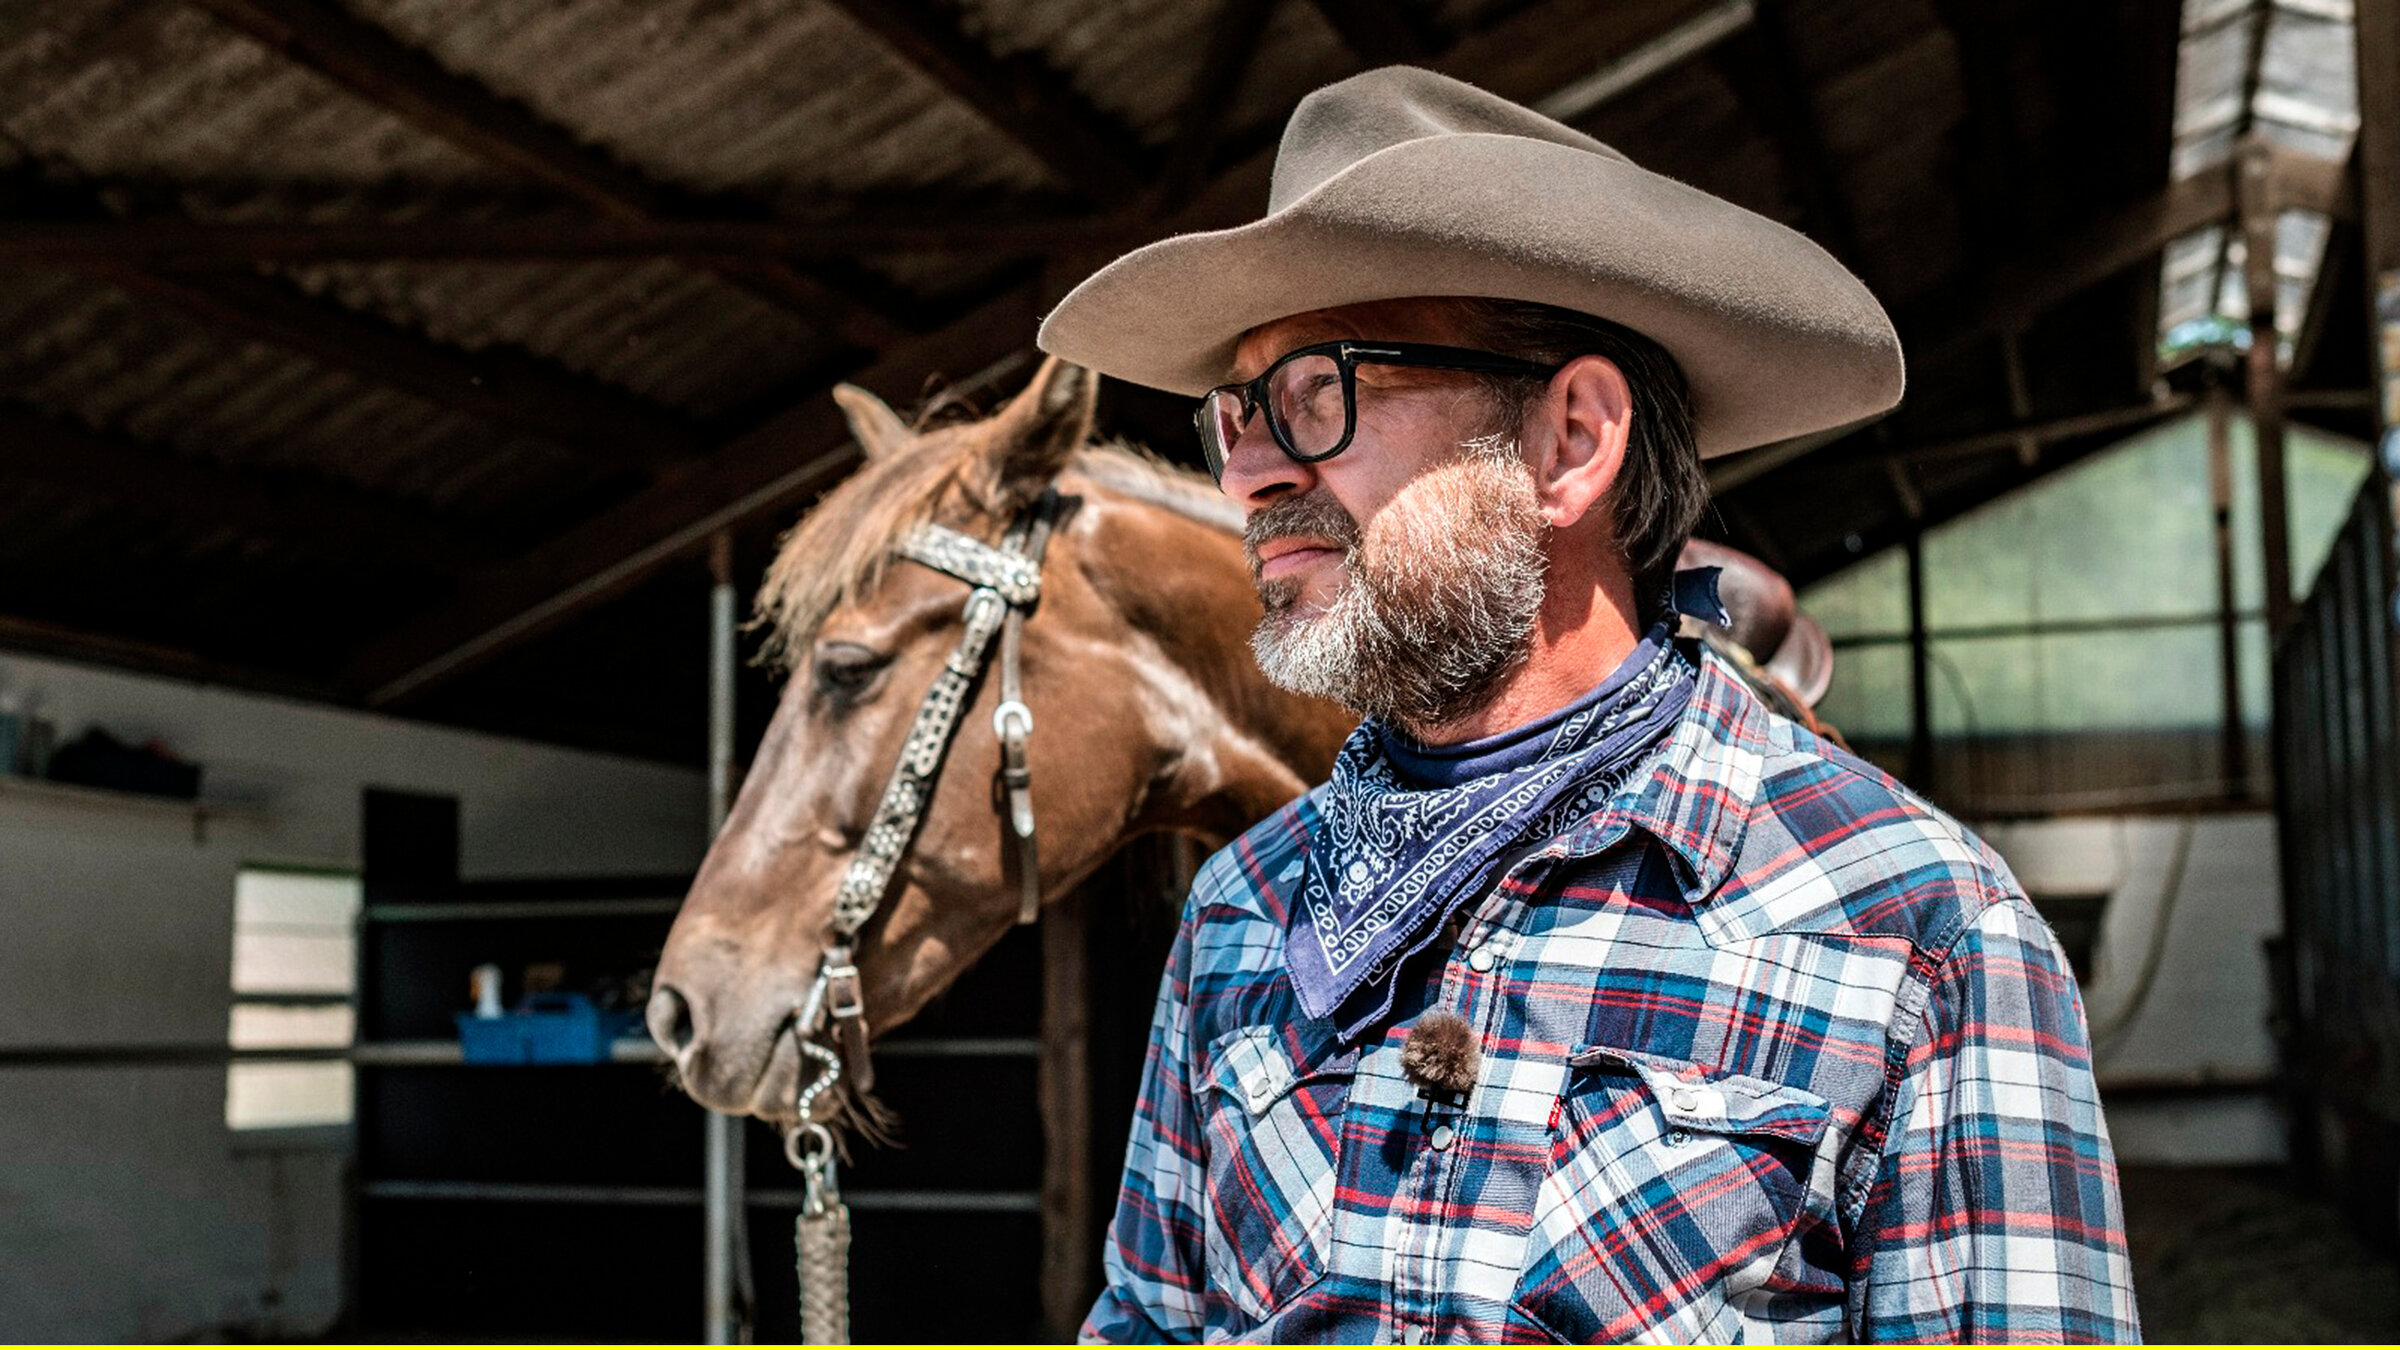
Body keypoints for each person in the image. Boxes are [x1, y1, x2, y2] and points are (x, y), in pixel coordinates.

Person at [1037, 66, 2136, 1344]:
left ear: (1570, 439)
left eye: (1316, 392)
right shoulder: (1240, 916)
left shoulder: (1921, 934)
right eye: (1234, 412)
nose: (1253, 472)